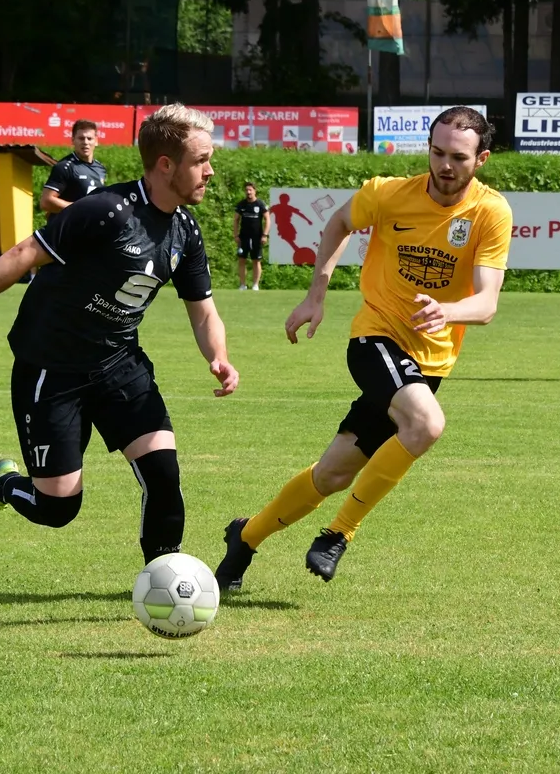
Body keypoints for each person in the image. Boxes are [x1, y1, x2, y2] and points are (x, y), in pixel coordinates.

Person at [0, 104, 239, 567]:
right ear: (165, 165)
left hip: (119, 364)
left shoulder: (184, 230)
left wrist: (218, 355)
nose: (210, 171)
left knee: (163, 473)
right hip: (51, 367)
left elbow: (203, 311)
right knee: (57, 507)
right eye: (201, 160)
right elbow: (23, 254)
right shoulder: (107, 211)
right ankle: (4, 485)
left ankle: (163, 579)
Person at [213, 106, 512, 591]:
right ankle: (339, 533)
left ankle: (244, 538)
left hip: (430, 362)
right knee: (427, 423)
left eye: (458, 157)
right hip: (376, 338)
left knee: (332, 475)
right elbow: (338, 224)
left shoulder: (490, 211)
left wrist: (447, 311)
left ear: (481, 160)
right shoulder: (388, 193)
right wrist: (316, 295)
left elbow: (487, 303)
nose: (445, 165)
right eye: (437, 152)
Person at [40, 119, 107, 214]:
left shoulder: (100, 168)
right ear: (73, 140)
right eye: (81, 138)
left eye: (89, 138)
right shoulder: (64, 167)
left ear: (96, 141)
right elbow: (46, 202)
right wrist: (80, 208)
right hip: (69, 223)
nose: (85, 142)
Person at [233, 182, 270, 290]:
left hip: (257, 238)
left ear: (255, 191)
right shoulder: (242, 204)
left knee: (256, 261)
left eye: (250, 190)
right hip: (243, 237)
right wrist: (236, 235)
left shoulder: (260, 204)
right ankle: (242, 285)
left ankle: (255, 285)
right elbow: (236, 220)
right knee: (242, 260)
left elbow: (267, 219)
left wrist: (265, 235)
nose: (248, 192)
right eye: (246, 190)